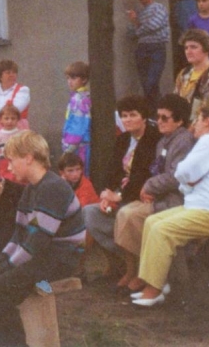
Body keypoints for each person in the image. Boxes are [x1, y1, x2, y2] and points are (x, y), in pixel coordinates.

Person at [0, 130, 85, 347]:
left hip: (61, 260)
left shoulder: (52, 188)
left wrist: (2, 270)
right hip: (43, 256)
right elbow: (18, 235)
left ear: (28, 157)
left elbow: (35, 242)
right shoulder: (31, 189)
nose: (8, 167)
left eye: (11, 160)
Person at [132, 107, 209, 307]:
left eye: (197, 119)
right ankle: (158, 283)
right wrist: (188, 181)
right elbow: (187, 179)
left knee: (162, 230)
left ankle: (154, 289)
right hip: (197, 205)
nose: (193, 124)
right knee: (152, 221)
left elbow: (183, 171)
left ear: (207, 121)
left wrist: (187, 180)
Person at [113, 94, 194, 294]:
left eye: (165, 118)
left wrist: (149, 187)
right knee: (125, 212)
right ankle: (136, 270)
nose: (159, 122)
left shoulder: (183, 141)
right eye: (158, 117)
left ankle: (144, 273)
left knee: (129, 214)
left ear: (180, 120)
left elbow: (177, 176)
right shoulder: (165, 141)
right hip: (161, 196)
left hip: (177, 200)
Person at [84, 96, 160, 284]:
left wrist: (118, 196)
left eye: (132, 115)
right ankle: (119, 262)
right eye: (124, 116)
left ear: (143, 117)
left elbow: (143, 176)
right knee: (90, 213)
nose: (127, 120)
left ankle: (135, 269)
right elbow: (112, 171)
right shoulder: (124, 139)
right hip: (120, 195)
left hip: (140, 197)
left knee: (124, 215)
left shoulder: (153, 139)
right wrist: (106, 194)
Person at [127, 0, 170, 111]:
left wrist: (137, 25)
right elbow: (130, 33)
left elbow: (154, 25)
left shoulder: (159, 8)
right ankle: (154, 113)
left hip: (156, 48)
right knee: (146, 85)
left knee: (151, 81)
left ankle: (159, 111)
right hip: (142, 49)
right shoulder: (139, 13)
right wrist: (136, 25)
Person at [0, 60, 30, 168]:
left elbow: (16, 110)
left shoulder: (23, 90)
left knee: (16, 156)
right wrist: (7, 105)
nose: (12, 75)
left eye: (14, 72)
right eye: (8, 72)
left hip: (16, 128)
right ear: (0, 75)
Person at [174, 29, 209, 121]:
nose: (188, 51)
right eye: (186, 48)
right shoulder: (184, 73)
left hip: (206, 128)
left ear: (206, 49)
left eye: (193, 47)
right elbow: (174, 102)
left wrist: (186, 133)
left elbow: (208, 111)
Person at [62, 61, 92, 174]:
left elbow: (79, 125)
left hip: (79, 147)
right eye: (68, 78)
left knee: (78, 176)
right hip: (77, 145)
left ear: (84, 79)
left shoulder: (80, 99)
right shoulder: (78, 97)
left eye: (74, 78)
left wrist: (69, 147)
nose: (69, 82)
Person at [0, 104, 23, 182]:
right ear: (0, 119)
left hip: (19, 170)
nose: (9, 121)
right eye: (6, 118)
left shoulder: (22, 135)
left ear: (18, 119)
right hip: (3, 172)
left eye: (13, 118)